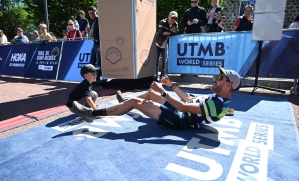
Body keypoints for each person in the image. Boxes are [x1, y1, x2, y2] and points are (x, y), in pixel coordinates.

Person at [73, 66, 241, 129]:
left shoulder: (218, 105)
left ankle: (92, 114)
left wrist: (163, 92)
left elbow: (183, 107)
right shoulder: (218, 98)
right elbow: (189, 100)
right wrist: (171, 85)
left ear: (228, 85)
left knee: (137, 101)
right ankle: (125, 105)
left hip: (178, 119)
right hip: (181, 110)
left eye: (220, 77)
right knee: (149, 94)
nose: (215, 78)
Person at [155, 11, 179, 80]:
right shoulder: (162, 22)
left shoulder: (175, 24)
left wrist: (168, 32)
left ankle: (163, 75)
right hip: (158, 43)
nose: (173, 20)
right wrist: (170, 31)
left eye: (175, 18)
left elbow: (176, 33)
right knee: (156, 60)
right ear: (168, 16)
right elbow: (160, 33)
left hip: (167, 44)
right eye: (172, 18)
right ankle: (156, 75)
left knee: (165, 60)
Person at [88, 6, 103, 86]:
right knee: (91, 63)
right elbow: (90, 35)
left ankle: (99, 80)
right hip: (94, 44)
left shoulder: (100, 20)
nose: (92, 15)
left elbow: (103, 33)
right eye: (90, 14)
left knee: (99, 64)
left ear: (96, 12)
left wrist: (101, 45)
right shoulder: (94, 22)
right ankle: (92, 80)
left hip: (98, 45)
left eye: (93, 13)